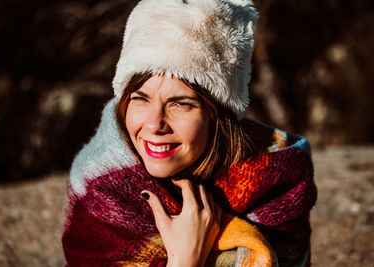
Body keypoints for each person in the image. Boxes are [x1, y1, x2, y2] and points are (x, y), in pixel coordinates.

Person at [62, 0, 317, 266]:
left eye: (180, 103)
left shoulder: (278, 183)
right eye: (141, 99)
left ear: (217, 116)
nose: (154, 124)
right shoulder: (100, 191)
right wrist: (186, 260)